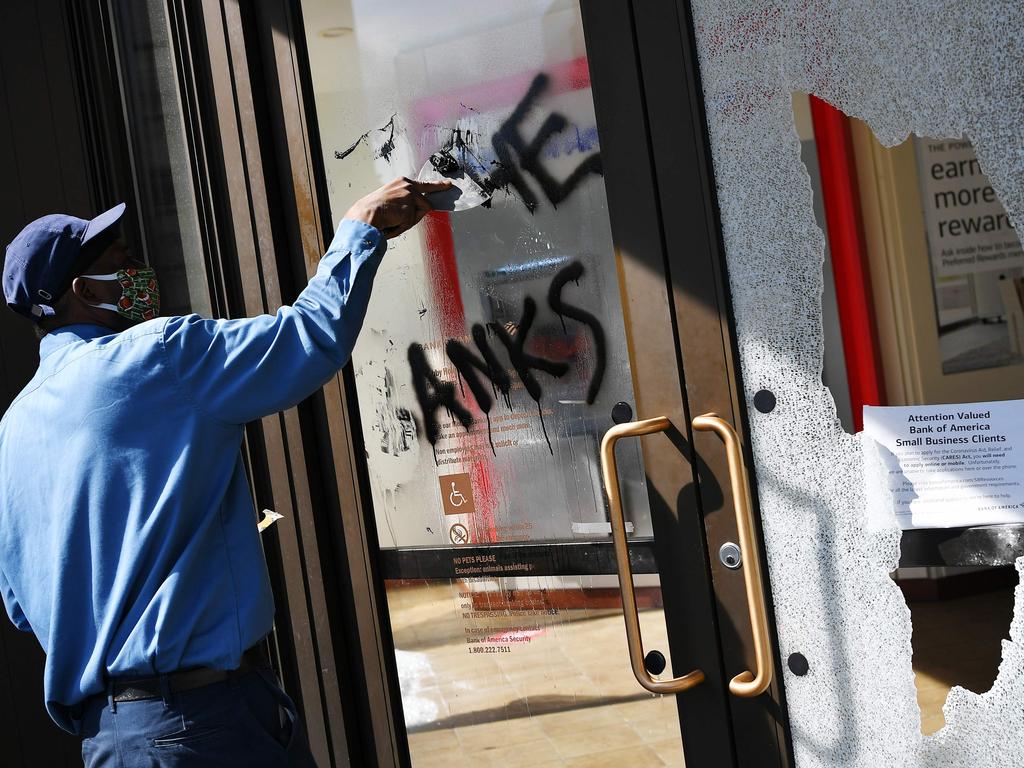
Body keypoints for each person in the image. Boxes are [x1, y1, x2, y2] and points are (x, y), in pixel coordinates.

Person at [0, 176, 451, 767]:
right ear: (84, 289)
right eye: (123, 263)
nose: (140, 273)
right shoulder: (157, 356)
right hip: (203, 724)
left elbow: (18, 603)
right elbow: (309, 339)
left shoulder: (14, 428)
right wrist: (361, 229)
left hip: (111, 740)